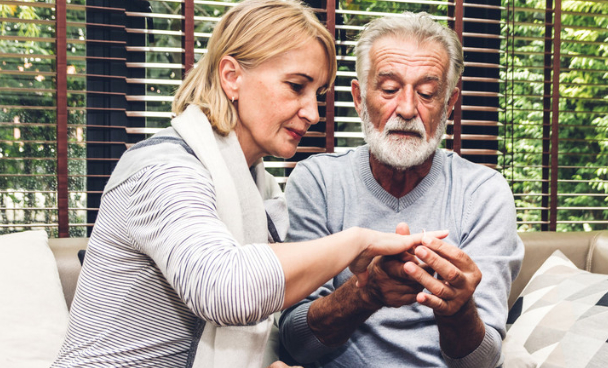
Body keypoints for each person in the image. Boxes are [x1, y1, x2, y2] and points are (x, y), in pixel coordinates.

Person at [51, 2, 445, 367]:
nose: (312, 112)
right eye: (296, 86)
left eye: (319, 94)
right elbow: (228, 288)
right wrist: (357, 241)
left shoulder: (263, 191)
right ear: (232, 76)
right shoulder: (160, 169)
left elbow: (267, 316)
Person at [278, 12, 524, 368]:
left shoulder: (484, 193)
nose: (407, 109)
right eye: (390, 89)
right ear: (360, 99)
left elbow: (482, 363)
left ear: (450, 105)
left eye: (427, 93)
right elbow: (296, 345)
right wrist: (366, 293)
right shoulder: (317, 181)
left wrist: (456, 310)